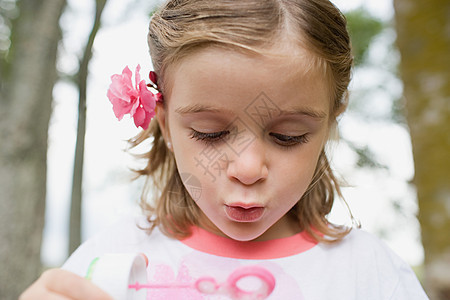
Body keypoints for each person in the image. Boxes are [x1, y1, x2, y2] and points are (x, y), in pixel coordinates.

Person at [20, 0, 429, 299]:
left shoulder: (371, 276)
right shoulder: (111, 264)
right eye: (209, 132)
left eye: (287, 136)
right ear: (164, 122)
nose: (248, 169)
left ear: (330, 124)